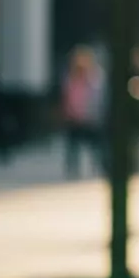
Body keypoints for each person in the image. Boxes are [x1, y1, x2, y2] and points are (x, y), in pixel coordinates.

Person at [61, 46, 105, 179]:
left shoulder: (93, 78)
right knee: (73, 146)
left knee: (94, 146)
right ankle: (72, 169)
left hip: (89, 117)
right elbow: (67, 96)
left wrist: (92, 112)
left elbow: (97, 96)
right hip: (74, 117)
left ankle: (96, 167)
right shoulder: (70, 78)